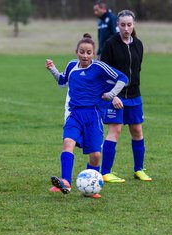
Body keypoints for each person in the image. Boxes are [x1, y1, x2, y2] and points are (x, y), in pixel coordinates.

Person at [45, 33, 128, 198]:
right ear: (76, 51)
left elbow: (123, 78)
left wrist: (112, 94)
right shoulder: (71, 66)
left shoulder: (99, 67)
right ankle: (66, 181)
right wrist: (52, 69)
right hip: (75, 114)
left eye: (88, 52)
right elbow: (62, 81)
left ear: (93, 54)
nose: (85, 55)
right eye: (82, 52)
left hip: (94, 116)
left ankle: (91, 186)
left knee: (96, 155)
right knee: (68, 143)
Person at [100, 10, 151, 183]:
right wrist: (112, 96)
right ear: (117, 25)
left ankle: (139, 169)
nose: (126, 28)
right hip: (116, 95)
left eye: (129, 25)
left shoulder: (138, 44)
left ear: (134, 25)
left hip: (135, 95)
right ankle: (106, 172)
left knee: (137, 130)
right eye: (123, 25)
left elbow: (138, 70)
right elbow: (103, 73)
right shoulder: (110, 44)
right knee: (116, 130)